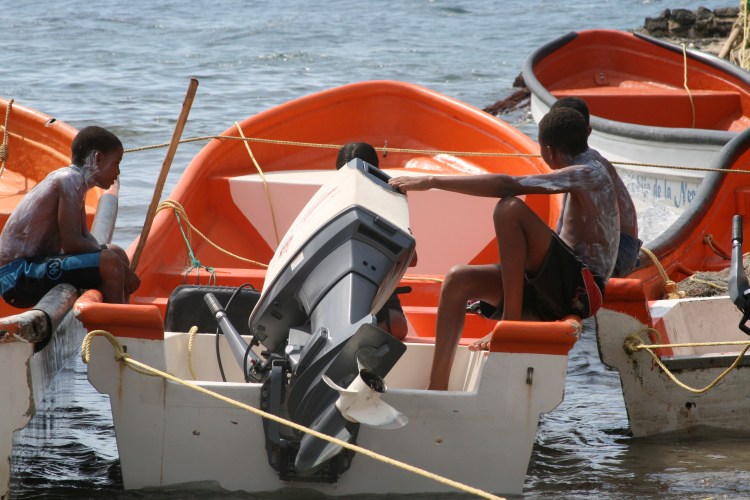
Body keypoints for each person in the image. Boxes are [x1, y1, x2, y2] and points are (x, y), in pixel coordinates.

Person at [388, 108, 619, 390]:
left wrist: (432, 181)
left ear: (548, 150)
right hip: (553, 289)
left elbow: (508, 185)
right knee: (458, 279)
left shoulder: (590, 171)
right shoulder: (590, 164)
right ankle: (437, 386)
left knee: (509, 209)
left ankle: (509, 325)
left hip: (581, 291)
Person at [0, 125, 140, 307]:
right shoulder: (70, 179)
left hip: (31, 266)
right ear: (98, 158)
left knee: (116, 253)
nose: (118, 172)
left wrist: (117, 262)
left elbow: (84, 236)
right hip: (15, 276)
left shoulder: (77, 183)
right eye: (116, 163)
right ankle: (115, 330)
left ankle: (115, 316)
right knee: (110, 262)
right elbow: (72, 243)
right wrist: (117, 267)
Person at [550, 97, 642, 277]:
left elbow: (565, 227)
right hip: (625, 249)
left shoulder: (587, 166)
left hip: (619, 252)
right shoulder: (585, 160)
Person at [336, 141, 413, 340]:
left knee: (397, 328)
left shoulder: (385, 201)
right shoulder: (387, 201)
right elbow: (411, 259)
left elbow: (412, 259)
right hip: (341, 284)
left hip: (369, 288)